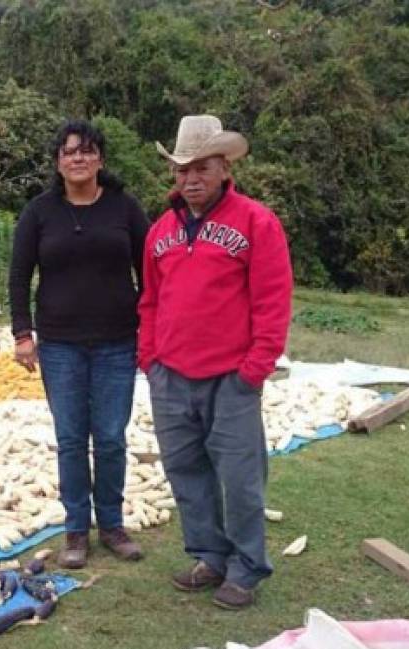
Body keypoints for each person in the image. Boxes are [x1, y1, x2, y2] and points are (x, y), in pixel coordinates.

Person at [138, 115, 293, 609]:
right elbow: (150, 301)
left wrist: (255, 368)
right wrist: (149, 357)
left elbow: (273, 300)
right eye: (182, 170)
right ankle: (210, 555)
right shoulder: (160, 230)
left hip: (231, 378)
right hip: (171, 375)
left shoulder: (255, 222)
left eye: (201, 168)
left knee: (241, 479)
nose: (191, 179)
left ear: (225, 167)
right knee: (186, 472)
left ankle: (247, 568)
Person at [8, 120, 150, 569]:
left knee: (110, 438)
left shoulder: (124, 209)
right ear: (58, 161)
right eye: (69, 152)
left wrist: (151, 326)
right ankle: (75, 531)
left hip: (116, 342)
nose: (78, 158)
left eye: (87, 151)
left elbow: (150, 272)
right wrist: (22, 334)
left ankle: (110, 525)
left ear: (100, 160)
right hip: (60, 345)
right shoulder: (39, 212)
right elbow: (18, 275)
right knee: (71, 439)